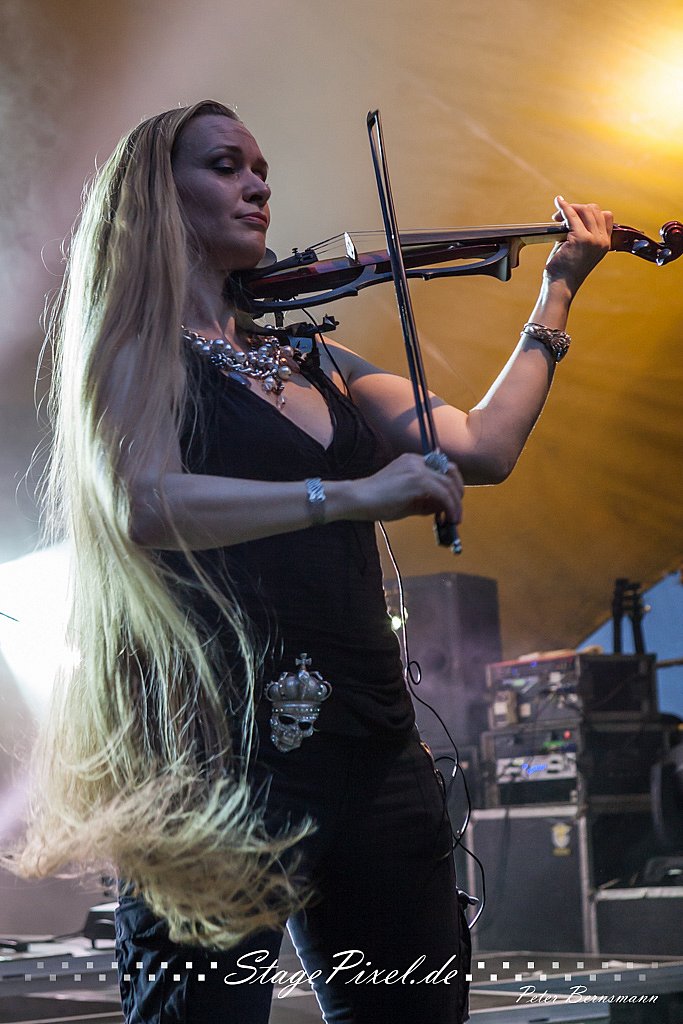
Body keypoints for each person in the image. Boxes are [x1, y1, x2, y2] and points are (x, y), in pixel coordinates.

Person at [10, 100, 612, 1024]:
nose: (256, 186)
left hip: (373, 747)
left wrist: (556, 293)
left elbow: (482, 447)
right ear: (156, 197)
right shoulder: (135, 351)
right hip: (216, 757)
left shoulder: (317, 360)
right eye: (225, 166)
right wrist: (349, 495)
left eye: (261, 170)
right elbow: (143, 504)